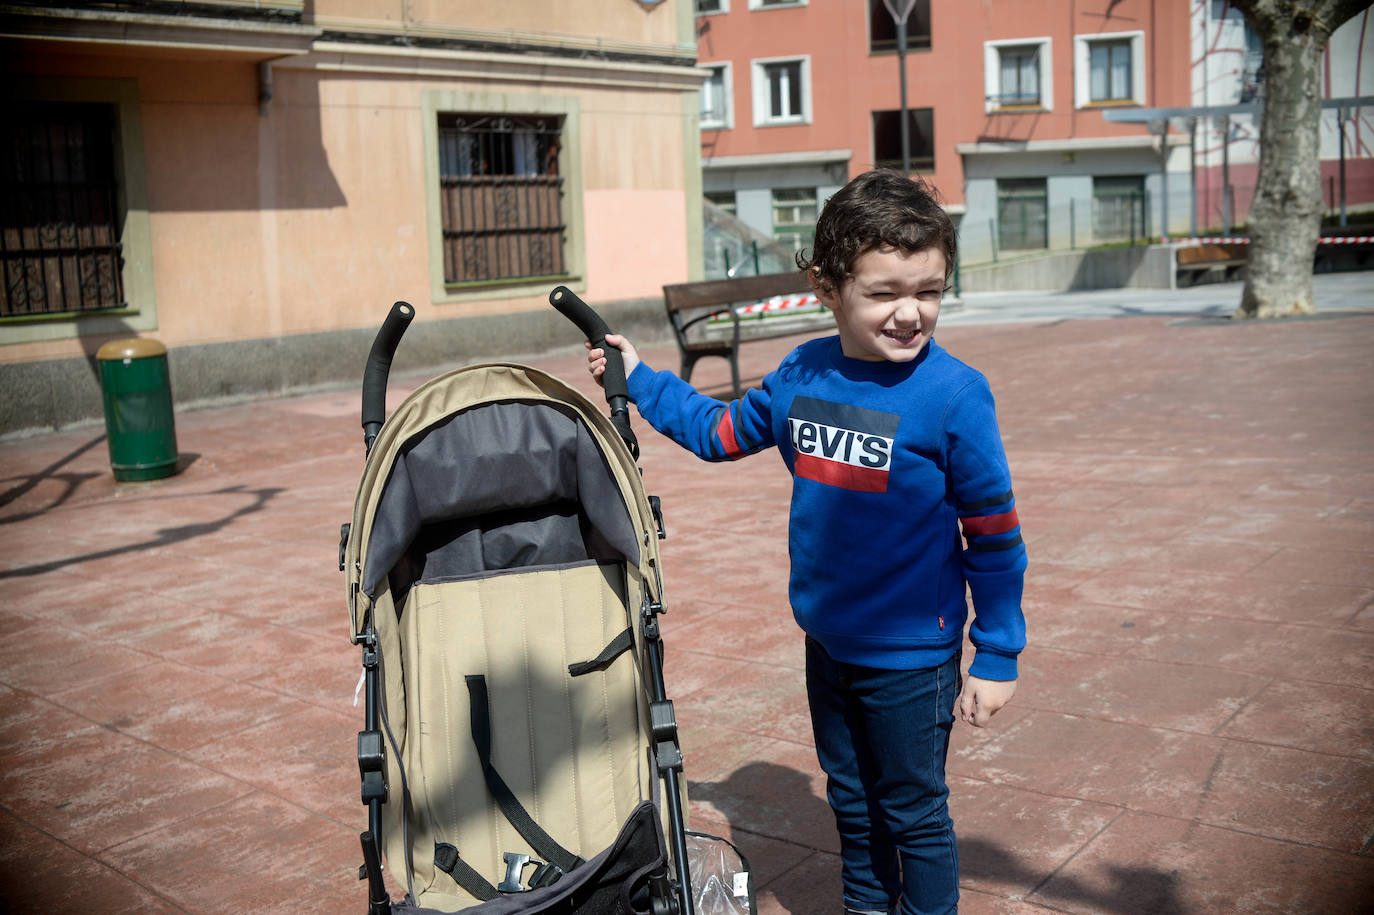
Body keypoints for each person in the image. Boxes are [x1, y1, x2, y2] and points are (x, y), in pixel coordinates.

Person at [587, 169, 1026, 915]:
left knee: (912, 812)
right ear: (828, 288)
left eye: (928, 291)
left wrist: (999, 652)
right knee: (852, 803)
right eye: (884, 292)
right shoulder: (801, 374)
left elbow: (994, 535)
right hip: (827, 641)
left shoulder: (955, 395)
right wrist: (641, 380)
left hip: (914, 656)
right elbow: (720, 431)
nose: (910, 313)